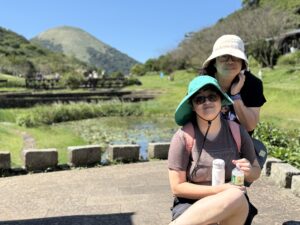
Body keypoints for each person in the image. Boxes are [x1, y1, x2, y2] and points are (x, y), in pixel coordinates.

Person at [168, 76, 261, 225]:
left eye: (212, 97)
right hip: (192, 205)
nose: (207, 102)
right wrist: (223, 190)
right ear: (192, 106)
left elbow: (256, 172)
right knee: (234, 194)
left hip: (233, 203)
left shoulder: (237, 131)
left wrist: (249, 170)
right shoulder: (183, 137)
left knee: (236, 196)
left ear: (221, 101)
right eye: (200, 99)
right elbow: (177, 187)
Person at [202, 34, 266, 136]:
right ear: (214, 62)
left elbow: (250, 126)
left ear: (242, 63)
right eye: (224, 56)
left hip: (241, 142)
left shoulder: (253, 84)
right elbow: (191, 120)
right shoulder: (202, 83)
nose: (230, 61)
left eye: (236, 57)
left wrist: (236, 96)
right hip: (208, 139)